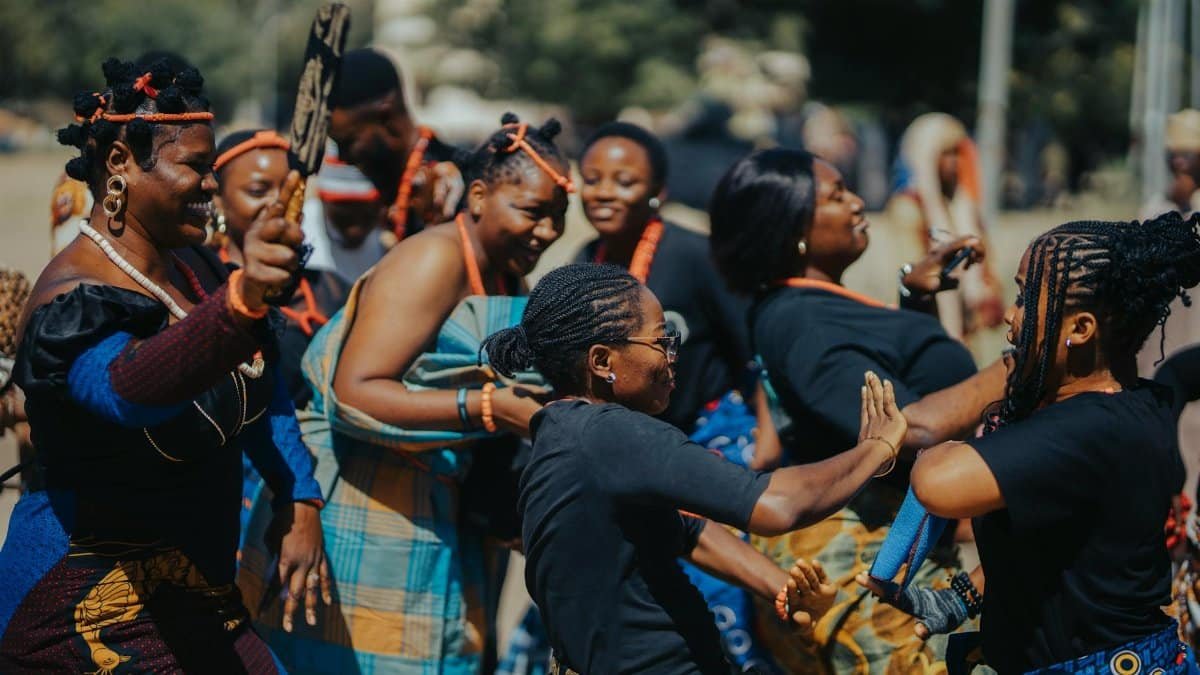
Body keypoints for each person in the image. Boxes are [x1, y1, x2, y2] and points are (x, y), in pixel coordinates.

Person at [0, 56, 326, 672]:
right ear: (120, 163)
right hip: (84, 613)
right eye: (196, 168)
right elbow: (127, 391)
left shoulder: (194, 270)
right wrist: (238, 306)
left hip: (198, 601)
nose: (211, 185)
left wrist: (298, 496)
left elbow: (262, 380)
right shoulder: (70, 298)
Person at [240, 114, 569, 673]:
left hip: (437, 510)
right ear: (481, 195)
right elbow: (355, 393)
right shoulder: (434, 260)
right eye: (533, 212)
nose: (546, 232)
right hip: (359, 507)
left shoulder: (510, 275)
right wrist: (490, 408)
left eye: (558, 218)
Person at [479, 262, 908, 674]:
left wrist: (780, 588)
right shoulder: (610, 434)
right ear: (602, 361)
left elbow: (686, 530)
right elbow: (776, 505)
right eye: (660, 342)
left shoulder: (561, 431)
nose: (672, 357)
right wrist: (876, 449)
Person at [707, 148, 1009, 672]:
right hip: (863, 563)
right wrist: (1024, 362)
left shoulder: (811, 305)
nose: (856, 202)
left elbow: (888, 381)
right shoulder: (799, 321)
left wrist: (912, 295)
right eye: (836, 195)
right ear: (790, 227)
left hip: (892, 548)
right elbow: (906, 427)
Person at [866, 213, 1200, 673]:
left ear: (1080, 330)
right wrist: (962, 598)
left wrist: (1007, 374)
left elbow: (936, 482)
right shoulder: (1146, 402)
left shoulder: (1083, 430)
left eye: (1025, 298)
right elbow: (1064, 551)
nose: (1010, 314)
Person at [575, 121, 752, 434]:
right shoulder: (586, 261)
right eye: (592, 179)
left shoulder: (696, 255)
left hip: (705, 432)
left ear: (658, 191)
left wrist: (765, 438)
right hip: (626, 435)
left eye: (624, 181)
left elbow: (751, 348)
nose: (604, 193)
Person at [212, 129, 351, 408]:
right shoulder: (202, 287)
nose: (279, 201)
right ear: (218, 201)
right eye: (257, 190)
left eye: (292, 187)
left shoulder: (333, 290)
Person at [887, 112, 1005, 348]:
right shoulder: (909, 208)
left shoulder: (963, 207)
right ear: (926, 157)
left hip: (967, 334)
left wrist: (983, 293)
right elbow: (911, 273)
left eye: (958, 153)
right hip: (929, 331)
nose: (955, 162)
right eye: (946, 154)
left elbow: (988, 272)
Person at [328, 47, 467, 242]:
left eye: (349, 141)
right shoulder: (390, 194)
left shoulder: (451, 186)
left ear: (386, 119)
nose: (343, 158)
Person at [301, 144, 390, 283]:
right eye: (344, 214)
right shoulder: (298, 236)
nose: (355, 228)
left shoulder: (390, 250)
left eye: (365, 212)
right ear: (322, 200)